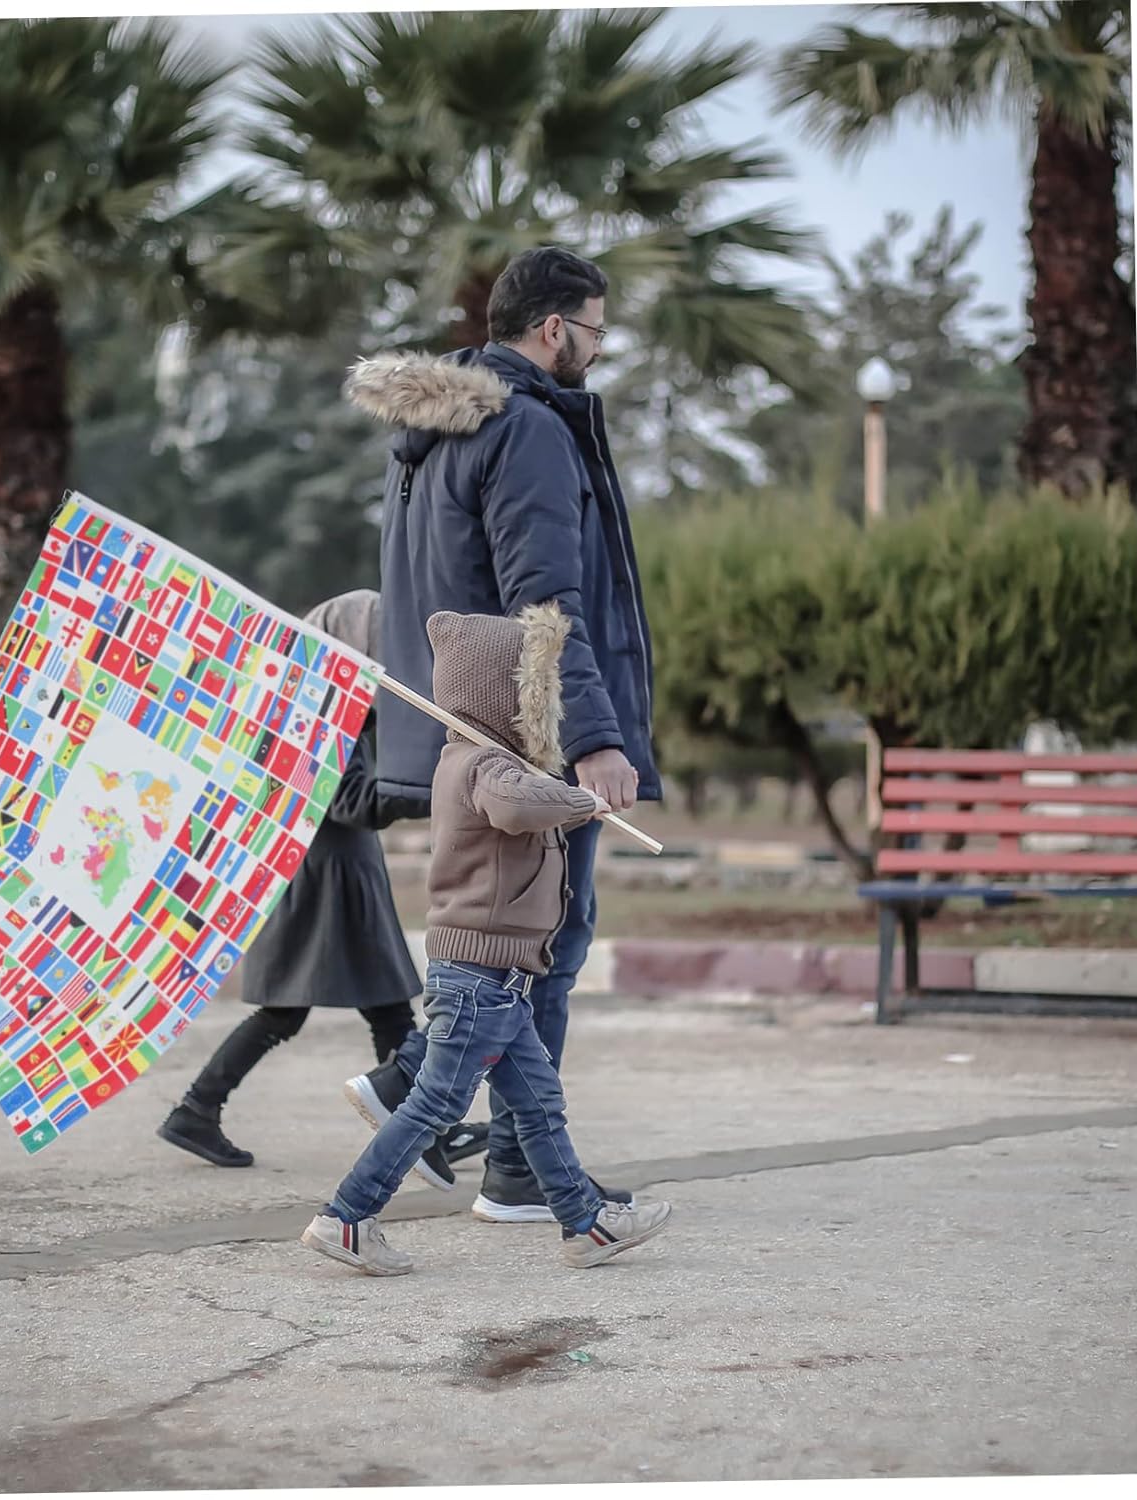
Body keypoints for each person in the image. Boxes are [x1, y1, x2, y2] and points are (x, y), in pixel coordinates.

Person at [342, 246, 661, 1223]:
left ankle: (437, 1103)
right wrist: (597, 738)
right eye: (596, 330)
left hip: (463, 724)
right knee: (549, 939)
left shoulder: (437, 432)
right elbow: (546, 603)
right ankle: (489, 1146)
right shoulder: (525, 429)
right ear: (555, 328)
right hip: (532, 732)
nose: (598, 349)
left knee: (518, 940)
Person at [301, 604, 672, 1275]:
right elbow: (518, 807)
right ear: (503, 698)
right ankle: (347, 1217)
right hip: (477, 978)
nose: (545, 708)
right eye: (535, 693)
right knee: (435, 1104)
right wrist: (583, 800)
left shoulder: (490, 761)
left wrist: (562, 794)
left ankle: (586, 1224)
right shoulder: (481, 765)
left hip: (501, 979)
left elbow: (525, 799)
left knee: (538, 1102)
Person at [158, 589, 487, 1184]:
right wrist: (438, 789)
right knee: (302, 1010)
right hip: (326, 879)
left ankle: (427, 1128)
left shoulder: (336, 708)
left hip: (338, 871)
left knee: (380, 1008)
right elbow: (352, 801)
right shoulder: (314, 713)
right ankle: (197, 1108)